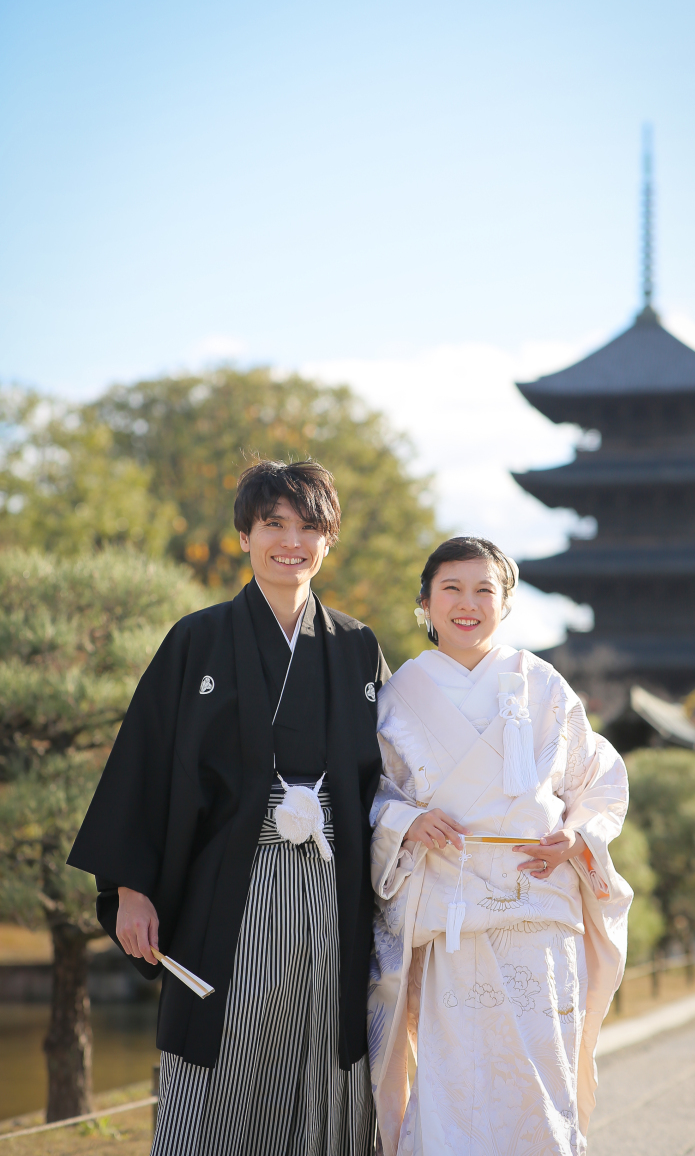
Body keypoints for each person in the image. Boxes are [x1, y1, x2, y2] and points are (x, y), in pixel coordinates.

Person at [68, 459, 389, 1156]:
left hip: (334, 886)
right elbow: (144, 765)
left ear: (329, 541)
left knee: (325, 1046)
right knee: (225, 1039)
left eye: (309, 527)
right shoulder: (197, 639)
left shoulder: (358, 647)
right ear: (244, 535)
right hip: (226, 884)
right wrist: (132, 889)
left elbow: (395, 780)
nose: (291, 542)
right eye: (273, 524)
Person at [368, 537, 632, 1156]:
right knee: (453, 1078)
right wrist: (407, 820)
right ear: (425, 605)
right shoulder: (399, 693)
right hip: (448, 905)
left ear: (506, 603)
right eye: (451, 589)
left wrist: (577, 836)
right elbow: (370, 792)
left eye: (484, 590)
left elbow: (598, 778)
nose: (468, 604)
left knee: (540, 1078)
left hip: (536, 901)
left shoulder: (542, 685)